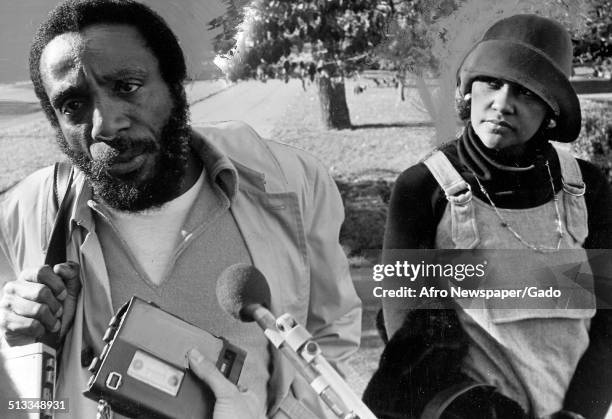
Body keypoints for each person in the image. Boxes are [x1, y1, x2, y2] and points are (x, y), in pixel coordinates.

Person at [0, 1, 361, 418]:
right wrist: (18, 335)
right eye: (72, 105)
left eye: (127, 86)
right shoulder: (26, 213)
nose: (105, 124)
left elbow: (330, 338)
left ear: (175, 85)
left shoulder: (291, 182)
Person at [364, 14, 612, 419]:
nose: (502, 104)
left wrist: (578, 413)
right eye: (493, 83)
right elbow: (412, 340)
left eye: (527, 92)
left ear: (551, 109)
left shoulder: (588, 189)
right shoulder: (423, 190)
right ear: (469, 89)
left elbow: (608, 327)